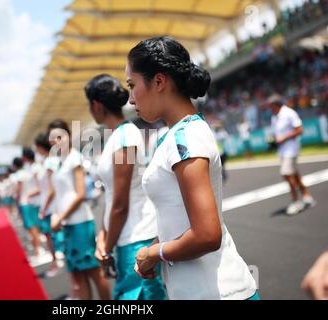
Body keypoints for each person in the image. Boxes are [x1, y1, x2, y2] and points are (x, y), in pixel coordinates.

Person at [126, 36, 258, 300]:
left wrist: (153, 253)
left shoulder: (184, 138)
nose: (130, 99)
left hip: (218, 292)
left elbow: (208, 234)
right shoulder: (175, 136)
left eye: (132, 85)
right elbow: (178, 221)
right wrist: (154, 251)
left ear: (159, 82)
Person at [85, 74, 166, 300]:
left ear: (97, 105)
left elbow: (120, 203)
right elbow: (111, 195)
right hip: (124, 237)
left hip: (137, 237)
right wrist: (103, 237)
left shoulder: (125, 138)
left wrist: (106, 246)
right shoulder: (116, 137)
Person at [48, 119, 111, 300]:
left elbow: (81, 194)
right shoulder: (58, 162)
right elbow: (59, 195)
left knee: (93, 272)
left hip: (80, 222)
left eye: (59, 136)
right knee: (78, 275)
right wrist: (56, 216)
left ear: (68, 136)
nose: (55, 141)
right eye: (52, 138)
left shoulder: (75, 158)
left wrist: (61, 218)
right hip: (67, 224)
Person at [266, 94, 316, 215]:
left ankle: (296, 202)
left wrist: (284, 138)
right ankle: (307, 196)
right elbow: (277, 133)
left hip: (291, 149)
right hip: (282, 150)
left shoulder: (289, 113)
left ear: (276, 105)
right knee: (295, 174)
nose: (269, 109)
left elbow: (300, 129)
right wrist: (273, 141)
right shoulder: (274, 117)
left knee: (286, 174)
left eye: (271, 106)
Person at [34, 132, 63, 277]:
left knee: (52, 237)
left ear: (40, 147)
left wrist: (44, 208)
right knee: (51, 237)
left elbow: (52, 189)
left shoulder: (50, 162)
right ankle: (56, 262)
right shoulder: (46, 162)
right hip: (48, 205)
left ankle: (56, 263)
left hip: (51, 206)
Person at [13, 154, 42, 259]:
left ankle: (37, 251)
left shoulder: (18, 175)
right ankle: (37, 248)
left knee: (31, 228)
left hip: (25, 203)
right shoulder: (27, 172)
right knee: (35, 227)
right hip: (32, 201)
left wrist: (17, 200)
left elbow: (19, 191)